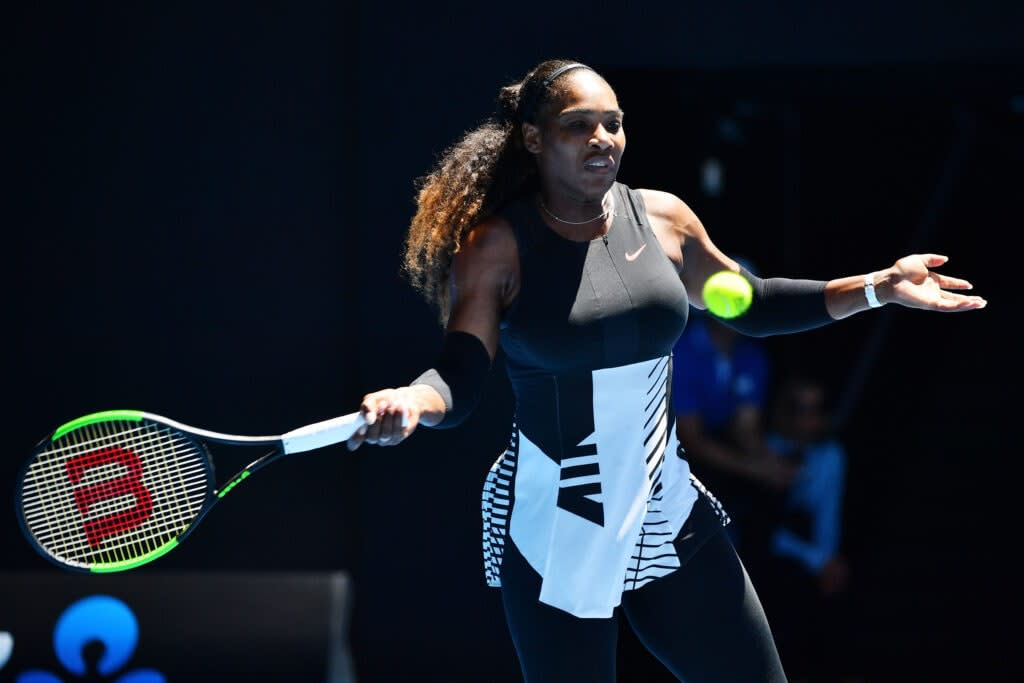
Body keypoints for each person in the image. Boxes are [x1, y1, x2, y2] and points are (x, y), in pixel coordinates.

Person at [344, 58, 986, 682]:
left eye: (613, 122)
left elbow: (751, 305)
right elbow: (459, 377)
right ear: (535, 139)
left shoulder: (665, 222)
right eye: (578, 124)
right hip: (557, 526)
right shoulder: (496, 249)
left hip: (664, 510)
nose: (602, 139)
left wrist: (880, 286)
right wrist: (412, 401)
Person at [670, 264, 797, 563]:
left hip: (721, 452)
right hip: (673, 457)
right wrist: (758, 470)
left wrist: (770, 464)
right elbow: (693, 441)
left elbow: (745, 428)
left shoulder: (752, 355)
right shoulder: (681, 351)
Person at [757, 373, 858, 682]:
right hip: (759, 552)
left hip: (805, 555)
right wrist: (817, 560)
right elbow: (761, 529)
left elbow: (829, 514)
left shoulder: (830, 455)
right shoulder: (761, 450)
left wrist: (826, 562)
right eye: (799, 409)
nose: (807, 420)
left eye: (815, 410)